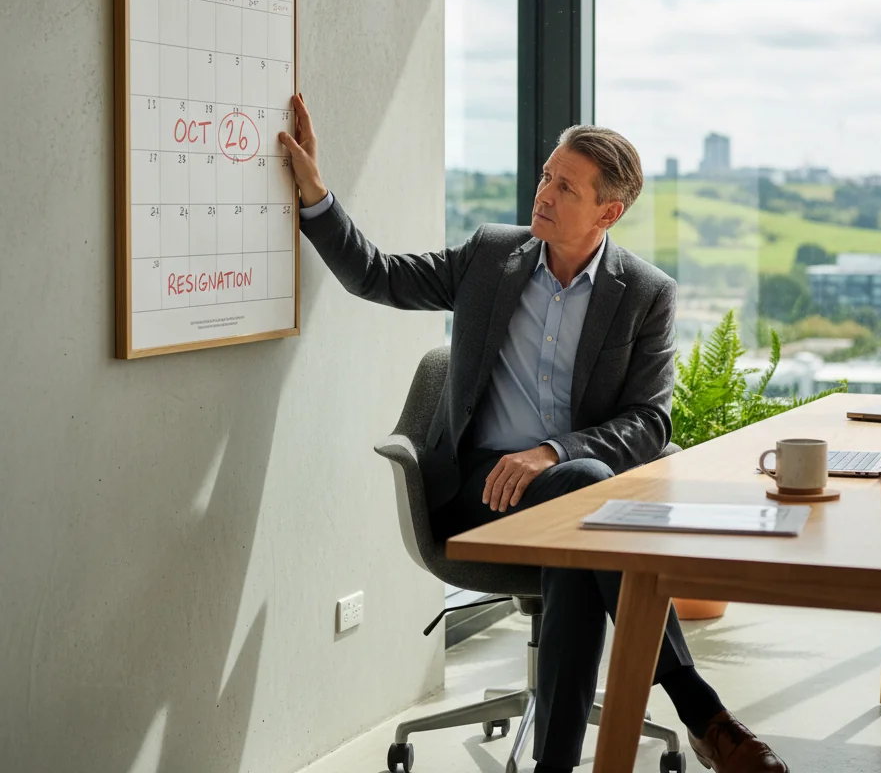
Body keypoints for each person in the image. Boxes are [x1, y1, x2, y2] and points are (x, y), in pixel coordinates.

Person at [279, 95, 788, 773]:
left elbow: (650, 420)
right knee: (589, 504)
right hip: (473, 495)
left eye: (564, 186)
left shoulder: (644, 294)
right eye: (547, 175)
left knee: (577, 523)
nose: (542, 193)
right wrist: (315, 194)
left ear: (609, 211)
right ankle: (701, 711)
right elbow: (378, 276)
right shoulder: (492, 257)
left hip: (571, 496)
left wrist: (553, 452)